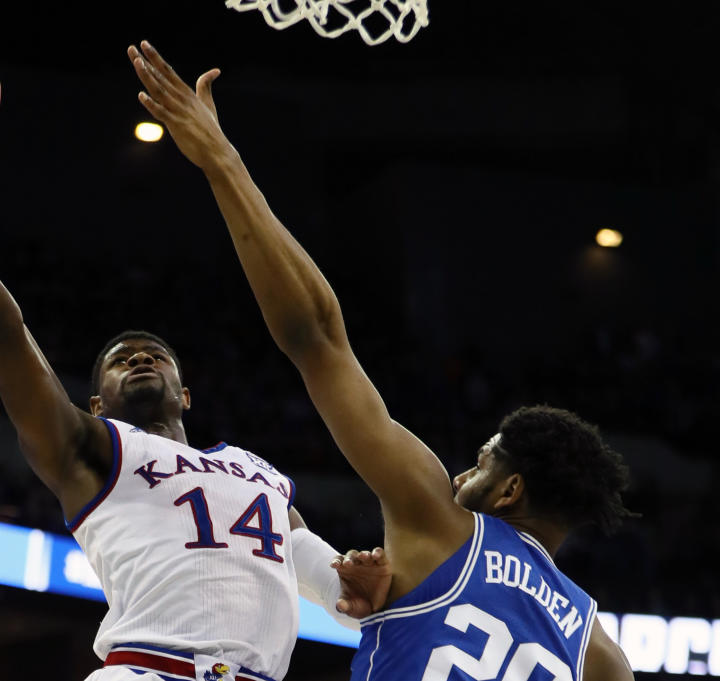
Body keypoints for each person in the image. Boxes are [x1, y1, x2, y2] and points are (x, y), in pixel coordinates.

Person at [0, 60, 390, 681]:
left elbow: (334, 588)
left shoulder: (260, 473)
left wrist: (362, 581)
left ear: (185, 394)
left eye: (154, 355)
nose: (138, 357)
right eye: (119, 360)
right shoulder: (92, 449)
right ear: (97, 404)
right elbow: (0, 331)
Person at [127, 40, 637, 681]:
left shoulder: (441, 519)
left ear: (511, 491)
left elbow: (316, 336)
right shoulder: (602, 653)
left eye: (480, 464)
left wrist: (222, 162)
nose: (458, 478)